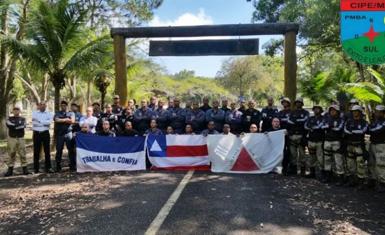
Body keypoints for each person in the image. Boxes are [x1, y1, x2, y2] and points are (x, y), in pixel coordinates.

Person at [344, 105, 368, 188]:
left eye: (356, 111)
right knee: (350, 163)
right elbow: (345, 130)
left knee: (360, 163)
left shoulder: (364, 122)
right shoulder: (348, 121)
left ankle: (361, 181)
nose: (355, 112)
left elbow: (362, 131)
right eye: (353, 111)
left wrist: (353, 131)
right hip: (350, 145)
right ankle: (352, 180)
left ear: (360, 112)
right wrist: (353, 132)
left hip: (359, 145)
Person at [322, 105, 345, 184]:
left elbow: (339, 129)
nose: (332, 111)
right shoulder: (327, 119)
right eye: (331, 110)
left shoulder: (341, 120)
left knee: (338, 160)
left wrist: (329, 127)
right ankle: (328, 175)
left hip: (336, 141)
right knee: (327, 159)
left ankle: (340, 177)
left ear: (338, 111)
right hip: (327, 141)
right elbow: (322, 126)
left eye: (334, 110)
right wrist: (330, 126)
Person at [287, 97, 309, 176]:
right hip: (292, 136)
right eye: (297, 102)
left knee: (302, 155)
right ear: (295, 104)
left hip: (301, 135)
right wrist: (298, 121)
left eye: (299, 102)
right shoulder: (292, 112)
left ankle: (303, 171)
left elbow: (305, 121)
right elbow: (289, 121)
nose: (298, 104)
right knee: (293, 155)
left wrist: (295, 121)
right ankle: (294, 170)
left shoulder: (306, 112)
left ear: (302, 104)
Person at [4, 106, 28, 176]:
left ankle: (25, 169)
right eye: (14, 110)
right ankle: (10, 170)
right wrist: (17, 126)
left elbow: (23, 126)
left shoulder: (23, 119)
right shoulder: (9, 118)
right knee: (11, 153)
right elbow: (9, 125)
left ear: (20, 111)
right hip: (12, 138)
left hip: (21, 138)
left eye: (17, 110)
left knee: (23, 153)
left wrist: (14, 126)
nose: (16, 111)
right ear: (13, 111)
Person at [32, 101, 53, 173]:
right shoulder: (34, 113)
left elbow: (49, 123)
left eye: (44, 105)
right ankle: (36, 169)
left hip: (45, 134)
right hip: (37, 134)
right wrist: (44, 122)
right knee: (36, 151)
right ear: (39, 106)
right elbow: (34, 123)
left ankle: (48, 168)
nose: (42, 106)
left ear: (46, 106)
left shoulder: (49, 113)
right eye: (41, 104)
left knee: (47, 151)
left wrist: (39, 121)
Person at [54, 100, 75, 172]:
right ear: (61, 106)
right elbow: (56, 120)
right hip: (60, 134)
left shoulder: (71, 113)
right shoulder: (57, 113)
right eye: (62, 105)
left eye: (65, 105)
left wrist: (61, 120)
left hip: (68, 133)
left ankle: (72, 165)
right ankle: (58, 166)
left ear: (67, 106)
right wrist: (66, 119)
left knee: (71, 150)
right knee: (59, 150)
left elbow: (72, 121)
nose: (63, 106)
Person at [304, 105, 325, 179]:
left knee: (320, 158)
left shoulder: (323, 118)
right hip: (311, 140)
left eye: (318, 109)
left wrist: (313, 127)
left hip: (319, 141)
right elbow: (306, 126)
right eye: (315, 109)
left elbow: (320, 127)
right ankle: (312, 172)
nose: (316, 110)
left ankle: (322, 174)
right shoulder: (310, 118)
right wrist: (312, 127)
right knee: (311, 157)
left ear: (320, 110)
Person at [368, 105, 385, 192]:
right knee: (371, 163)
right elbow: (368, 129)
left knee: (381, 164)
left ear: (383, 113)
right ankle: (373, 180)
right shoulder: (374, 121)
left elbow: (376, 130)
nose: (377, 113)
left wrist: (371, 129)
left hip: (381, 145)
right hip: (372, 144)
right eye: (376, 111)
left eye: (379, 112)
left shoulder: (383, 122)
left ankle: (383, 183)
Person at [277, 97, 292, 175]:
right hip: (281, 135)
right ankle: (283, 167)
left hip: (290, 134)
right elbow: (278, 123)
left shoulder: (292, 112)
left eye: (286, 102)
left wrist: (289, 131)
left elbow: (294, 123)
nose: (284, 103)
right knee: (282, 151)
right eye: (283, 102)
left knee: (289, 152)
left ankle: (290, 168)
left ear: (289, 103)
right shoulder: (280, 113)